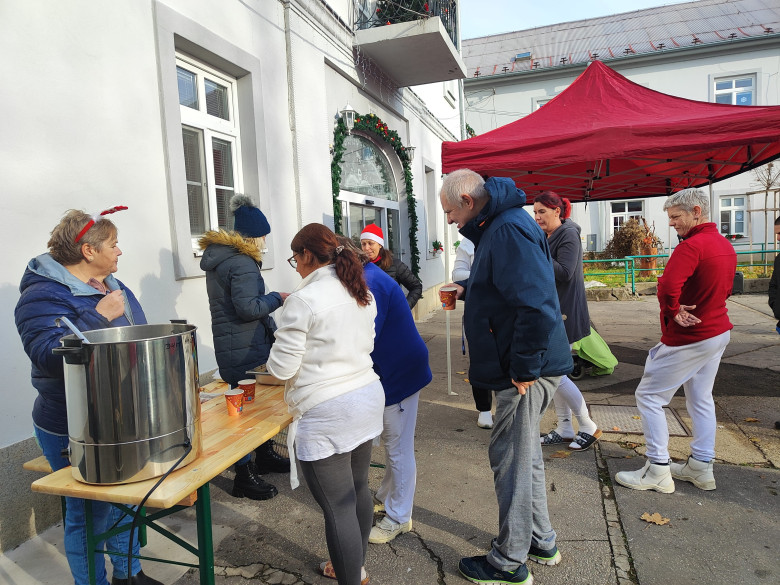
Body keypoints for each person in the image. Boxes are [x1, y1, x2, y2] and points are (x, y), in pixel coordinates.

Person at [15, 208, 162, 585]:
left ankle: (129, 576)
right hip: (72, 423)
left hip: (121, 417)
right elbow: (47, 356)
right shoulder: (40, 296)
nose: (120, 252)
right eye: (113, 245)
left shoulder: (110, 283)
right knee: (87, 516)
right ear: (87, 251)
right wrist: (98, 317)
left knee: (128, 498)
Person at [440, 170, 573, 585]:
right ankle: (540, 539)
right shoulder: (501, 223)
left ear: (467, 199)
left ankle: (509, 561)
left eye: (448, 211)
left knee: (511, 458)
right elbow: (511, 288)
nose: (447, 220)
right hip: (526, 364)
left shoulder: (506, 229)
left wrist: (523, 370)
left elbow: (535, 305)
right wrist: (470, 288)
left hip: (526, 369)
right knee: (525, 452)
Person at [267, 224, 384, 585]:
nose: (295, 266)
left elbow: (281, 367)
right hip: (366, 395)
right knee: (358, 488)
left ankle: (352, 576)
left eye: (294, 258)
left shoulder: (303, 300)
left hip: (329, 409)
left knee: (339, 506)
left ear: (306, 255)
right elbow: (369, 338)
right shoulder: (358, 289)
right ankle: (355, 566)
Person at [615, 188, 736, 494]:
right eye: (669, 217)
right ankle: (700, 467)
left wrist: (672, 309)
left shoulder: (691, 247)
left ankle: (657, 469)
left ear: (697, 211)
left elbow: (669, 285)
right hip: (717, 330)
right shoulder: (723, 245)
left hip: (690, 336)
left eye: (675, 217)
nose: (671, 223)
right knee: (701, 397)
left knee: (650, 397)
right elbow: (726, 287)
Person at [338, 237, 432, 544]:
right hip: (396, 369)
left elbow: (362, 338)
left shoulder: (371, 284)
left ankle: (399, 517)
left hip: (399, 373)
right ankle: (388, 496)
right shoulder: (368, 277)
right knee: (396, 442)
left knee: (398, 446)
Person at [199, 194, 290, 501]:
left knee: (251, 406)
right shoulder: (242, 263)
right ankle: (244, 475)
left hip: (234, 345)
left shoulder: (223, 259)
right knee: (244, 413)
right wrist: (278, 297)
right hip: (245, 346)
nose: (266, 241)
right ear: (254, 236)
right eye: (264, 235)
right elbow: (248, 308)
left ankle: (263, 457)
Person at [534, 191, 602, 451]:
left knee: (555, 372)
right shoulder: (549, 235)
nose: (537, 217)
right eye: (535, 212)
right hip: (553, 310)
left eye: (542, 212)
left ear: (557, 212)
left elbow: (565, 272)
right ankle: (564, 428)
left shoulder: (568, 234)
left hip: (565, 312)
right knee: (557, 372)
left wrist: (537, 254)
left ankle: (587, 425)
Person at [452, 237, 494, 429]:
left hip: (504, 308)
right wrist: (485, 276)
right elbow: (457, 274)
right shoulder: (467, 242)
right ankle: (484, 409)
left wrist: (473, 277)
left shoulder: (500, 234)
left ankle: (505, 405)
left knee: (506, 357)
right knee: (479, 359)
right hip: (476, 310)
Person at [359, 223, 423, 308]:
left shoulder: (394, 264)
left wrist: (404, 308)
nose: (366, 248)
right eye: (363, 244)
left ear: (380, 244)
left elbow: (416, 287)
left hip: (391, 317)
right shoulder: (359, 266)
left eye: (370, 243)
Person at [768, 216, 780, 336]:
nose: (778, 238)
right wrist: (775, 306)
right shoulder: (779, 259)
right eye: (777, 234)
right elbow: (773, 285)